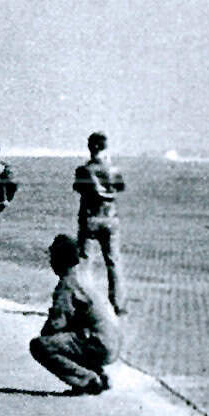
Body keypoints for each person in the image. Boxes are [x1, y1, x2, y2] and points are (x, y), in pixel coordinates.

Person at [29, 233, 122, 395]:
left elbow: (55, 324)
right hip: (112, 341)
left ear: (59, 261)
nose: (50, 262)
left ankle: (86, 379)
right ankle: (100, 375)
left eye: (52, 257)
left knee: (40, 346)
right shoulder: (83, 278)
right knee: (71, 338)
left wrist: (48, 337)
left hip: (99, 344)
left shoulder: (67, 285)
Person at [73, 131, 127, 315]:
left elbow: (78, 188)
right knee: (113, 262)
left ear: (90, 147)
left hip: (90, 218)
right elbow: (120, 187)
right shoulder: (114, 169)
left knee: (85, 261)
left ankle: (84, 302)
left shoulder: (84, 170)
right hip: (111, 218)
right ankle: (117, 304)